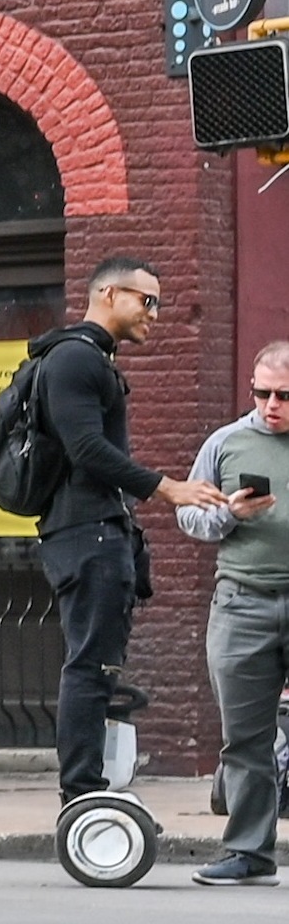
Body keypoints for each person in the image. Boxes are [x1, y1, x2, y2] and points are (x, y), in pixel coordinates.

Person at [24, 260, 232, 800]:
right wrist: (169, 488)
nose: (155, 315)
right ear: (109, 294)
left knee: (98, 665)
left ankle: (92, 788)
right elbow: (87, 451)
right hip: (85, 534)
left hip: (96, 532)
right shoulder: (73, 358)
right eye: (147, 301)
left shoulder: (89, 358)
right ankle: (82, 793)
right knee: (89, 665)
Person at [179, 352, 289, 883]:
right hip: (242, 601)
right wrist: (230, 513)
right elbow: (189, 515)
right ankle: (249, 852)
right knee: (245, 735)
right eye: (262, 393)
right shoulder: (224, 443)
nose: (272, 406)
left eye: (285, 397)